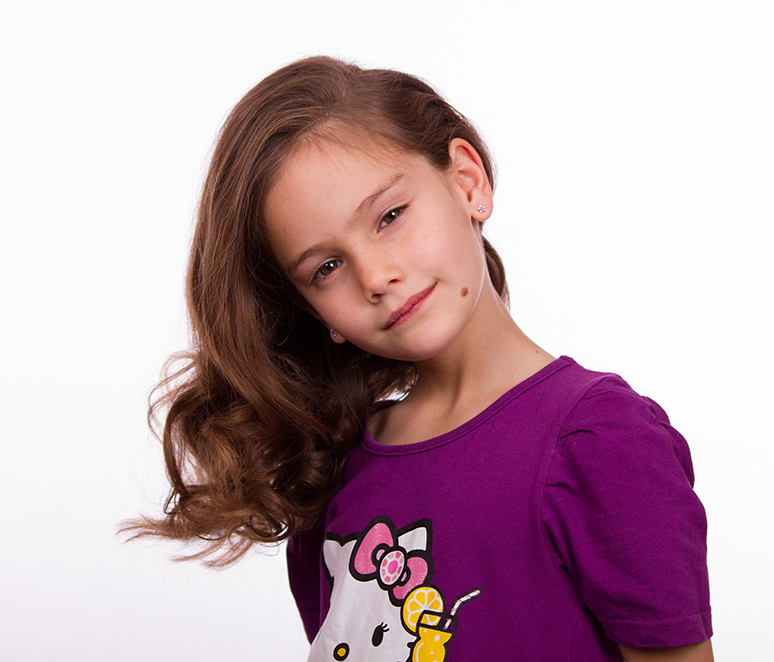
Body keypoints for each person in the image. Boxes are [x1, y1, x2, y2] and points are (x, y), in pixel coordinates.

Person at [136, 56, 713, 661]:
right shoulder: (331, 475)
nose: (376, 276)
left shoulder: (603, 443)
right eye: (326, 268)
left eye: (390, 216)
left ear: (467, 181)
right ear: (310, 309)